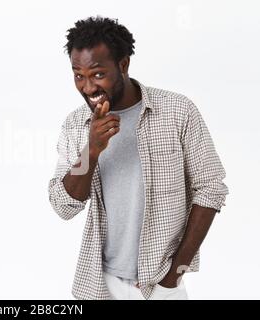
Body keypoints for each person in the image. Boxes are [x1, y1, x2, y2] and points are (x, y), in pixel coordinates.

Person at [48, 16, 229, 300]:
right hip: (100, 283)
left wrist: (174, 275)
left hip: (162, 284)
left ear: (123, 65)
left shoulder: (177, 111)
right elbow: (63, 206)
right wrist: (91, 151)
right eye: (78, 75)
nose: (87, 87)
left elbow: (211, 188)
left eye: (97, 74)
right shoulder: (76, 125)